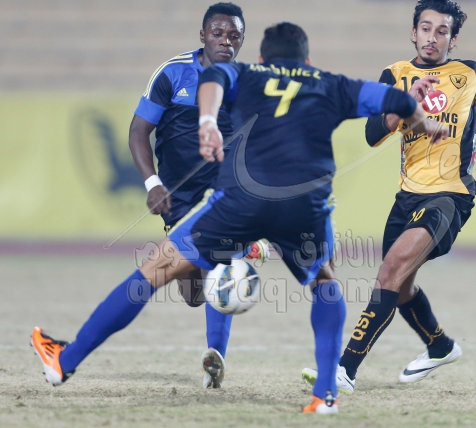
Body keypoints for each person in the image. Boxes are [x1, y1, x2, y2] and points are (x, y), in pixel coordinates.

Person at [31, 21, 445, 414]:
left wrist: (207, 122)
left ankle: (64, 360)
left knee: (153, 272)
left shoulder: (245, 74)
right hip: (304, 203)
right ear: (306, 59)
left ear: (263, 57)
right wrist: (424, 122)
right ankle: (326, 395)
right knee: (325, 282)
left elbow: (214, 79)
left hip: (242, 200)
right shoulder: (332, 83)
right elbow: (399, 101)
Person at [301, 0, 476, 393]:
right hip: (406, 198)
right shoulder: (395, 74)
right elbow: (372, 134)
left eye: (442, 31)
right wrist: (405, 103)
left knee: (389, 271)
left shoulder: (469, 74)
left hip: (450, 196)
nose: (433, 37)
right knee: (400, 288)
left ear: (453, 39)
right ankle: (440, 346)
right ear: (413, 33)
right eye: (426, 28)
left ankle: (343, 370)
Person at [127, 2, 264, 389]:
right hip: (179, 199)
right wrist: (152, 184)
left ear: (242, 41)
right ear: (203, 36)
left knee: (220, 267)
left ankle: (214, 360)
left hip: (223, 197)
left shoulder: (245, 84)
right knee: (193, 293)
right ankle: (238, 255)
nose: (226, 42)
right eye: (218, 34)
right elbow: (138, 132)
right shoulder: (172, 74)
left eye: (234, 36)